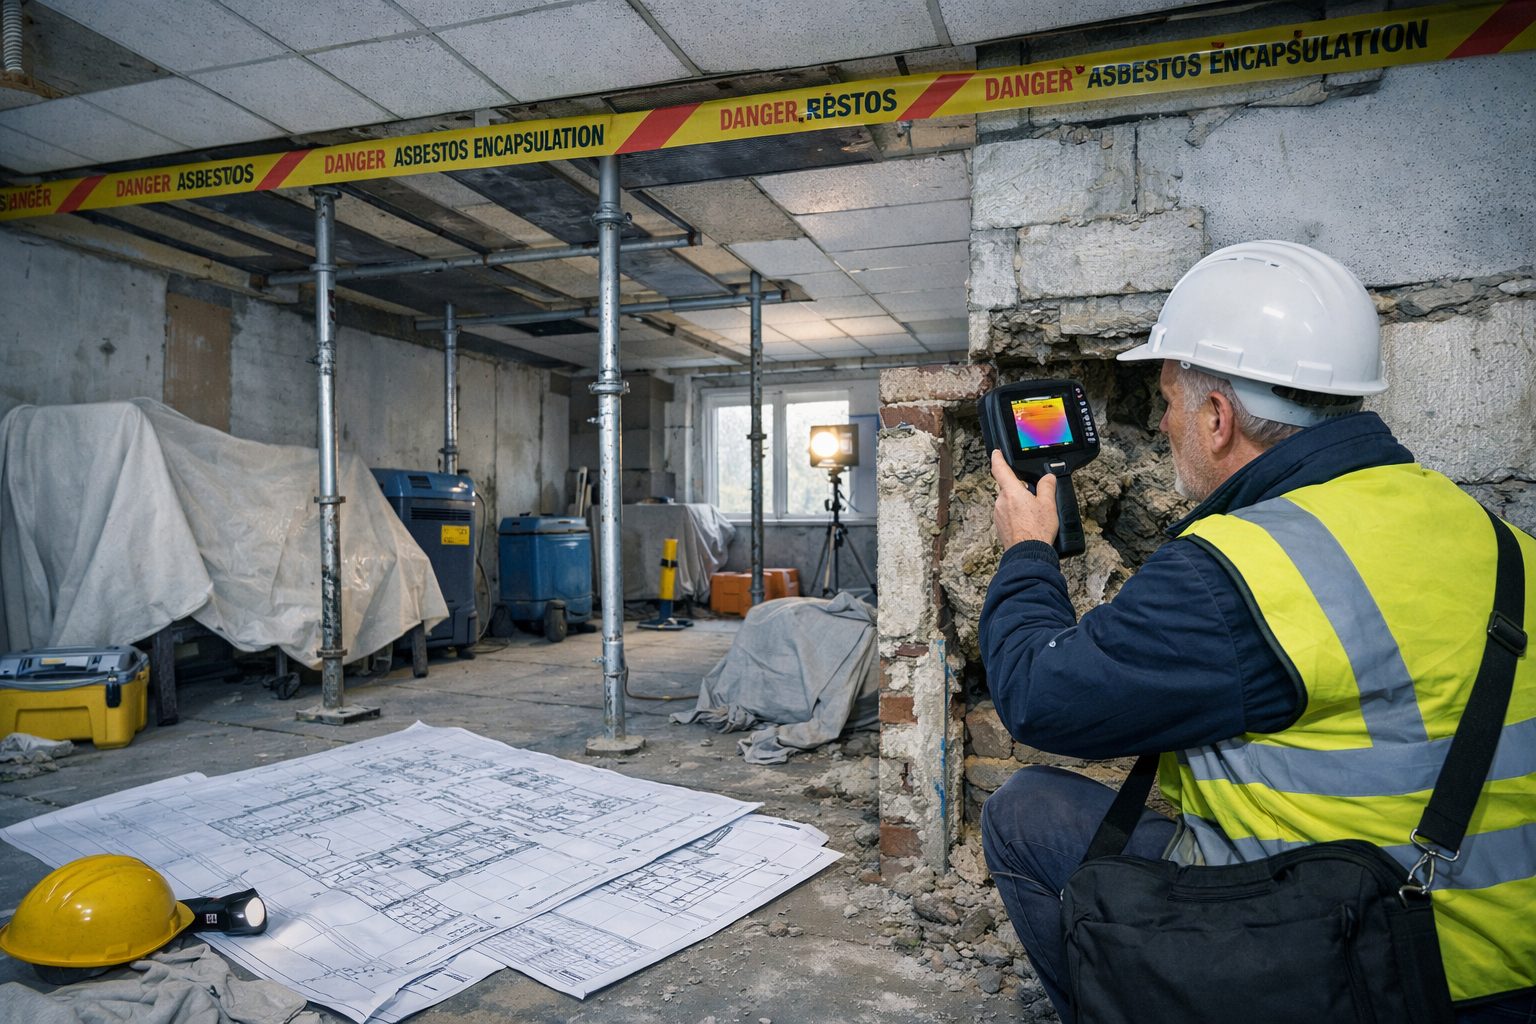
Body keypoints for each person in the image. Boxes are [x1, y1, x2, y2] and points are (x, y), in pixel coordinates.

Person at [977, 240, 1535, 1023]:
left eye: (1167, 401)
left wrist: (1028, 550)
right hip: (1506, 954)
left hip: (1369, 968)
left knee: (1026, 811)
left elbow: (1043, 697)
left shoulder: (1244, 568)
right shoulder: (1494, 535)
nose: (1163, 422)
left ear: (1216, 417)